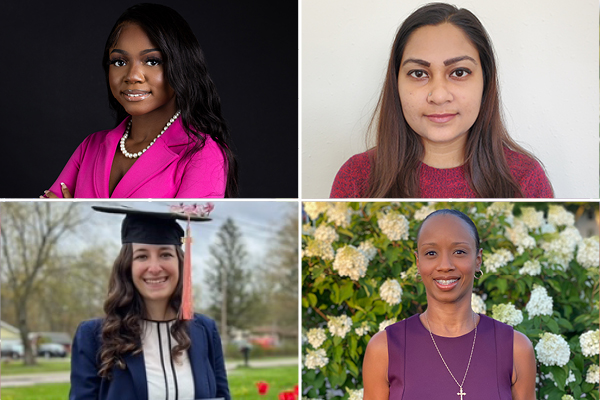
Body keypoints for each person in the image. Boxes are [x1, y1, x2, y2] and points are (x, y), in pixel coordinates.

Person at [330, 3, 552, 199]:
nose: (438, 96)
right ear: (395, 83)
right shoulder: (356, 178)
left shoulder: (525, 179)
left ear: (486, 80)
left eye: (459, 72)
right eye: (419, 74)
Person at [42, 3, 238, 199]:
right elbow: (39, 224)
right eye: (120, 61)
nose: (132, 76)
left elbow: (184, 230)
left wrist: (79, 223)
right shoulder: (90, 147)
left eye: (152, 61)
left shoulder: (202, 154)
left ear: (182, 67)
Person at [362, 209, 536, 399]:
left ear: (478, 260)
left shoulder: (515, 348)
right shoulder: (384, 348)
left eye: (459, 252)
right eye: (431, 253)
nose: (445, 265)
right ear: (418, 262)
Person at [69, 206, 230, 400]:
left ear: (180, 263)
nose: (154, 268)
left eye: (165, 254)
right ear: (127, 266)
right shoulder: (95, 336)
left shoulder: (204, 330)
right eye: (142, 256)